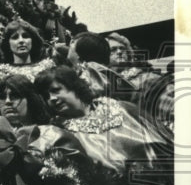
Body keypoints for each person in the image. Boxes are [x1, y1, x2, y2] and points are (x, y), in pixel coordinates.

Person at [34, 65, 166, 174]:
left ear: (73, 86)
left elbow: (163, 142)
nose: (51, 98)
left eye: (56, 90)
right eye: (46, 96)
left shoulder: (121, 108)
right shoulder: (60, 135)